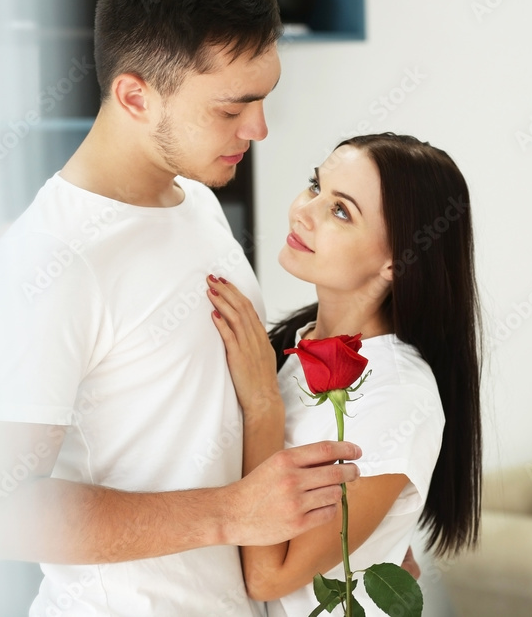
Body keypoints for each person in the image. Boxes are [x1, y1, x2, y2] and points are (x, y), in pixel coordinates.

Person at [0, 0, 360, 615]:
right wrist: (230, 514)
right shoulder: (49, 261)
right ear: (135, 96)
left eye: (265, 98)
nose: (258, 130)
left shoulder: (196, 204)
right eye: (234, 108)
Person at [205, 133, 483, 615]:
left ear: (397, 260)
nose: (302, 211)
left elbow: (270, 578)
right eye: (315, 186)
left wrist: (263, 406)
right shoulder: (296, 346)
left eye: (340, 211)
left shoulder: (397, 396)